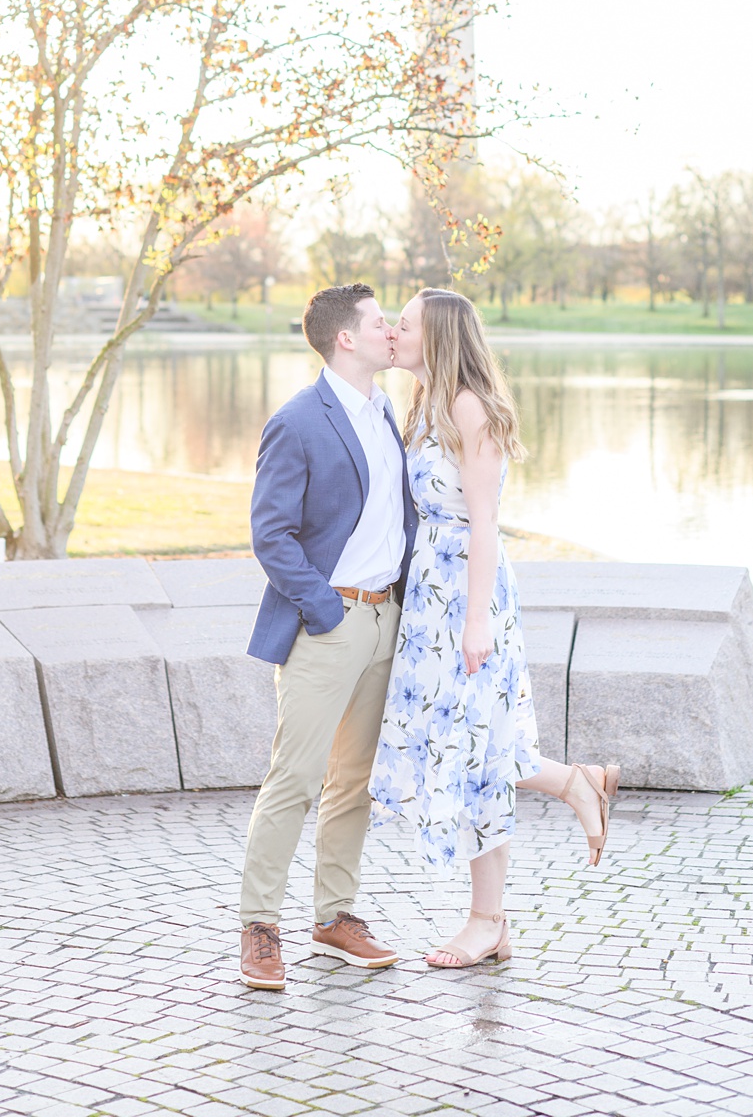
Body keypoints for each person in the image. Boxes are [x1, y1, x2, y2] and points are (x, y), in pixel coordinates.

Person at [369, 286, 618, 970]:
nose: (396, 330)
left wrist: (476, 621)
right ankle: (575, 784)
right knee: (474, 744)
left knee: (478, 750)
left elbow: (483, 524)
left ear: (440, 338)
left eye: (408, 324)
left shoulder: (469, 408)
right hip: (430, 598)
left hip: (466, 598)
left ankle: (487, 920)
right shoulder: (423, 408)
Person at [236, 282, 419, 991]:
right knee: (295, 779)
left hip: (385, 621)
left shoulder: (386, 411)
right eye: (380, 323)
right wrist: (325, 609)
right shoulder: (297, 421)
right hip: (329, 623)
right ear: (347, 338)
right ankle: (260, 926)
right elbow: (270, 535)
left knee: (355, 785)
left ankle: (334, 917)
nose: (391, 333)